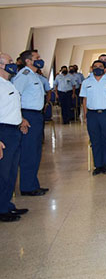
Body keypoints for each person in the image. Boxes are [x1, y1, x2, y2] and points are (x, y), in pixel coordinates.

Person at [11, 49, 49, 196]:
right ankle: (27, 187)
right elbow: (15, 96)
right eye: (37, 58)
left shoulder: (35, 75)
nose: (40, 60)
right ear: (28, 61)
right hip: (28, 116)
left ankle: (33, 183)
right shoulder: (24, 76)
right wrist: (21, 118)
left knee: (35, 151)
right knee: (28, 152)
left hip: (36, 116)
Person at [0, 53, 29, 222]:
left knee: (11, 172)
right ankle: (1, 209)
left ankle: (7, 204)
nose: (13, 64)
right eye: (9, 62)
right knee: (3, 172)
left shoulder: (9, 84)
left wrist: (21, 120)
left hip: (13, 130)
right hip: (3, 132)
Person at [80, 60, 106, 175]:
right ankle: (98, 165)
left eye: (100, 66)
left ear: (104, 68)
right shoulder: (86, 82)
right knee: (95, 140)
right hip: (92, 114)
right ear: (92, 68)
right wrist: (85, 115)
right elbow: (84, 100)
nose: (98, 68)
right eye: (95, 66)